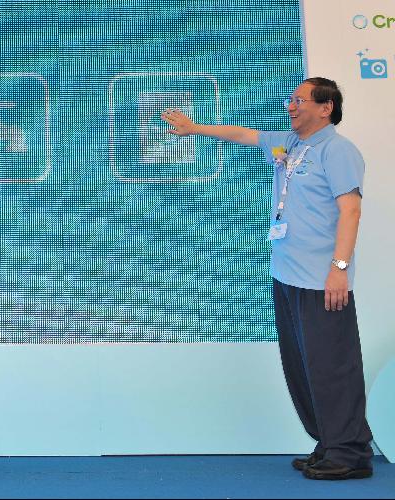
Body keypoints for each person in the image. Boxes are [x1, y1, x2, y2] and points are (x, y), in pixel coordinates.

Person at [162, 77, 373, 480]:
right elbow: (243, 134)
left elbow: (351, 212)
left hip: (320, 281)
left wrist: (339, 269)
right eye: (290, 100)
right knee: (302, 367)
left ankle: (350, 452)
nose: (291, 106)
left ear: (326, 108)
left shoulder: (338, 151)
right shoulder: (290, 146)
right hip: (288, 275)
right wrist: (195, 128)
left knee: (332, 366)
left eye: (300, 100)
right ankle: (328, 442)